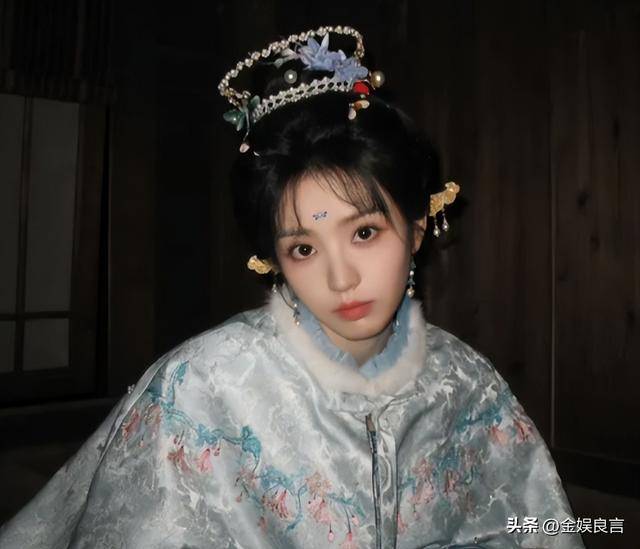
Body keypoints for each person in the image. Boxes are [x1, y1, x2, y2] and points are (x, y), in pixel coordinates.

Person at [0, 25, 584, 549]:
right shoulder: (205, 385)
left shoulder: (466, 381)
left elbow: (533, 527)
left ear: (416, 227)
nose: (340, 278)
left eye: (364, 232)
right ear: (273, 260)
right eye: (303, 248)